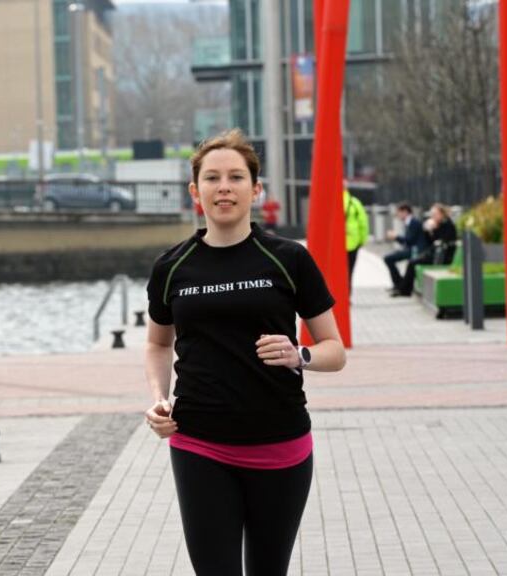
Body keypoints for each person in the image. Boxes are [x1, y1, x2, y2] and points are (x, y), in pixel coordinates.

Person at [144, 128, 347, 576]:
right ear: (196, 192)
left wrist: (300, 355)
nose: (224, 187)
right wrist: (159, 396)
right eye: (212, 178)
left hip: (281, 442)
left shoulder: (289, 259)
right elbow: (158, 342)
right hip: (199, 441)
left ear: (255, 189)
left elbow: (335, 349)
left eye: (236, 177)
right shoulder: (172, 265)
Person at [394, 203, 458, 296]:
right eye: (432, 214)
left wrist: (434, 230)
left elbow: (443, 241)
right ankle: (404, 288)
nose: (432, 216)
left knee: (412, 263)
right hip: (435, 253)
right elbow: (430, 241)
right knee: (412, 262)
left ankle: (405, 290)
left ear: (441, 214)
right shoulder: (438, 224)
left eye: (435, 214)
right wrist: (428, 231)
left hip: (442, 256)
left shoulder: (447, 224)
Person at [383, 203, 427, 296]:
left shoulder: (414, 222)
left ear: (405, 212)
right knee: (389, 258)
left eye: (398, 213)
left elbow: (409, 241)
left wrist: (395, 237)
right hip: (412, 249)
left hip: (416, 250)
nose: (397, 215)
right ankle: (399, 284)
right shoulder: (410, 222)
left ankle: (399, 285)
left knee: (388, 258)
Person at [343, 187, 369, 295]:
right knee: (349, 272)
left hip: (334, 246)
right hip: (352, 243)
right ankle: (347, 295)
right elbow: (363, 223)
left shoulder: (329, 201)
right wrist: (362, 240)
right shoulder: (354, 202)